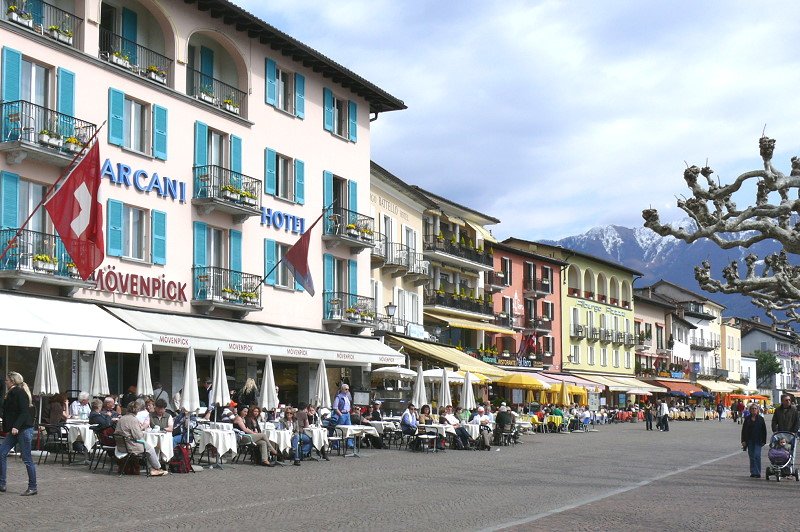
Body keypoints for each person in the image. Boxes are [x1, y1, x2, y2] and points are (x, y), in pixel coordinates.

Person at [0, 372, 37, 495]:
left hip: (23, 429)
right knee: (1, 452)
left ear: (12, 381)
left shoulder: (19, 393)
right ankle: (2, 483)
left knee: (27, 459)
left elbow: (24, 412)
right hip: (14, 430)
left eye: (7, 380)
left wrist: (16, 426)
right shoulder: (11, 393)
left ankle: (33, 487)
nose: (5, 382)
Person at [114, 400, 168, 476]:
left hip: (121, 446)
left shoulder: (122, 418)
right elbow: (138, 436)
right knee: (150, 448)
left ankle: (154, 468)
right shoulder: (133, 420)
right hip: (130, 446)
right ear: (137, 410)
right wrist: (139, 428)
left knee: (147, 446)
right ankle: (157, 468)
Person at [741, 403, 767, 478]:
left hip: (758, 440)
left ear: (758, 410)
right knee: (751, 456)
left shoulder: (761, 419)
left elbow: (764, 430)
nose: (754, 410)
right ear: (750, 410)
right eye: (752, 409)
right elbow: (744, 430)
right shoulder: (747, 419)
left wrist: (764, 441)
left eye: (755, 408)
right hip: (749, 440)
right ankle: (753, 472)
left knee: (757, 456)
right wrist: (743, 440)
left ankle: (758, 472)